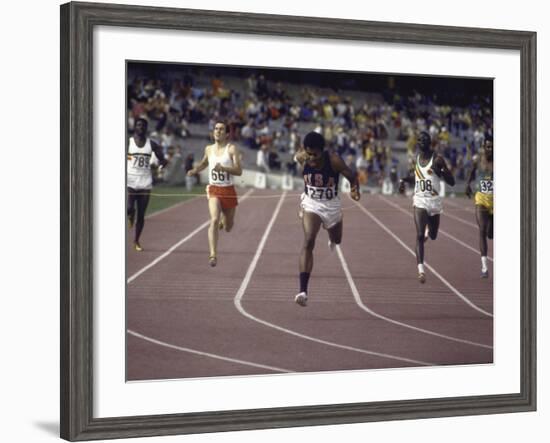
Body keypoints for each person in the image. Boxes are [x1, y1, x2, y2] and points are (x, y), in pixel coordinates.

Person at [293, 132, 360, 307]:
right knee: (308, 240)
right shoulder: (303, 156)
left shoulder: (334, 160)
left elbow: (352, 177)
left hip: (331, 206)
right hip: (311, 204)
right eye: (309, 154)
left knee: (337, 239)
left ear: (322, 151)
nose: (311, 158)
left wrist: (355, 190)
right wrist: (300, 158)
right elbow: (298, 157)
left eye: (315, 154)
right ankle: (303, 291)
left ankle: (332, 237)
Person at [399, 131, 455, 283]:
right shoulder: (416, 159)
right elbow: (416, 177)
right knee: (418, 235)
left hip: (434, 201)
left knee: (433, 236)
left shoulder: (437, 159)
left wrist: (441, 172)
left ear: (429, 143)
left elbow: (452, 182)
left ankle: (429, 230)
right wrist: (403, 179)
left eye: (424, 140)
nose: (421, 143)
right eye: (419, 140)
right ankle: (421, 270)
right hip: (420, 201)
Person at [187, 121, 242, 267]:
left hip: (228, 190)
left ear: (227, 134)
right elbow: (205, 163)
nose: (218, 131)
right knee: (214, 220)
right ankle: (213, 254)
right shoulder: (208, 149)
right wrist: (194, 170)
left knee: (229, 227)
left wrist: (224, 168)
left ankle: (225, 219)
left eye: (221, 129)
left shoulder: (231, 149)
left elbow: (239, 171)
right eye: (216, 129)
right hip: (214, 189)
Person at [127, 118, 168, 251]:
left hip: (145, 183)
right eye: (138, 125)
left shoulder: (152, 144)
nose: (141, 128)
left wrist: (161, 166)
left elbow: (163, 159)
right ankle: (130, 214)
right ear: (135, 127)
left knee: (141, 215)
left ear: (146, 128)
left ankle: (136, 241)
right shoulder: (128, 142)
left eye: (143, 126)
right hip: (131, 181)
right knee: (129, 208)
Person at [465, 136, 494, 278]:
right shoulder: (478, 159)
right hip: (481, 199)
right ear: (483, 147)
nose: (490, 149)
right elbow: (471, 171)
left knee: (491, 233)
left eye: (492, 147)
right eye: (488, 147)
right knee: (482, 230)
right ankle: (484, 266)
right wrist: (468, 185)